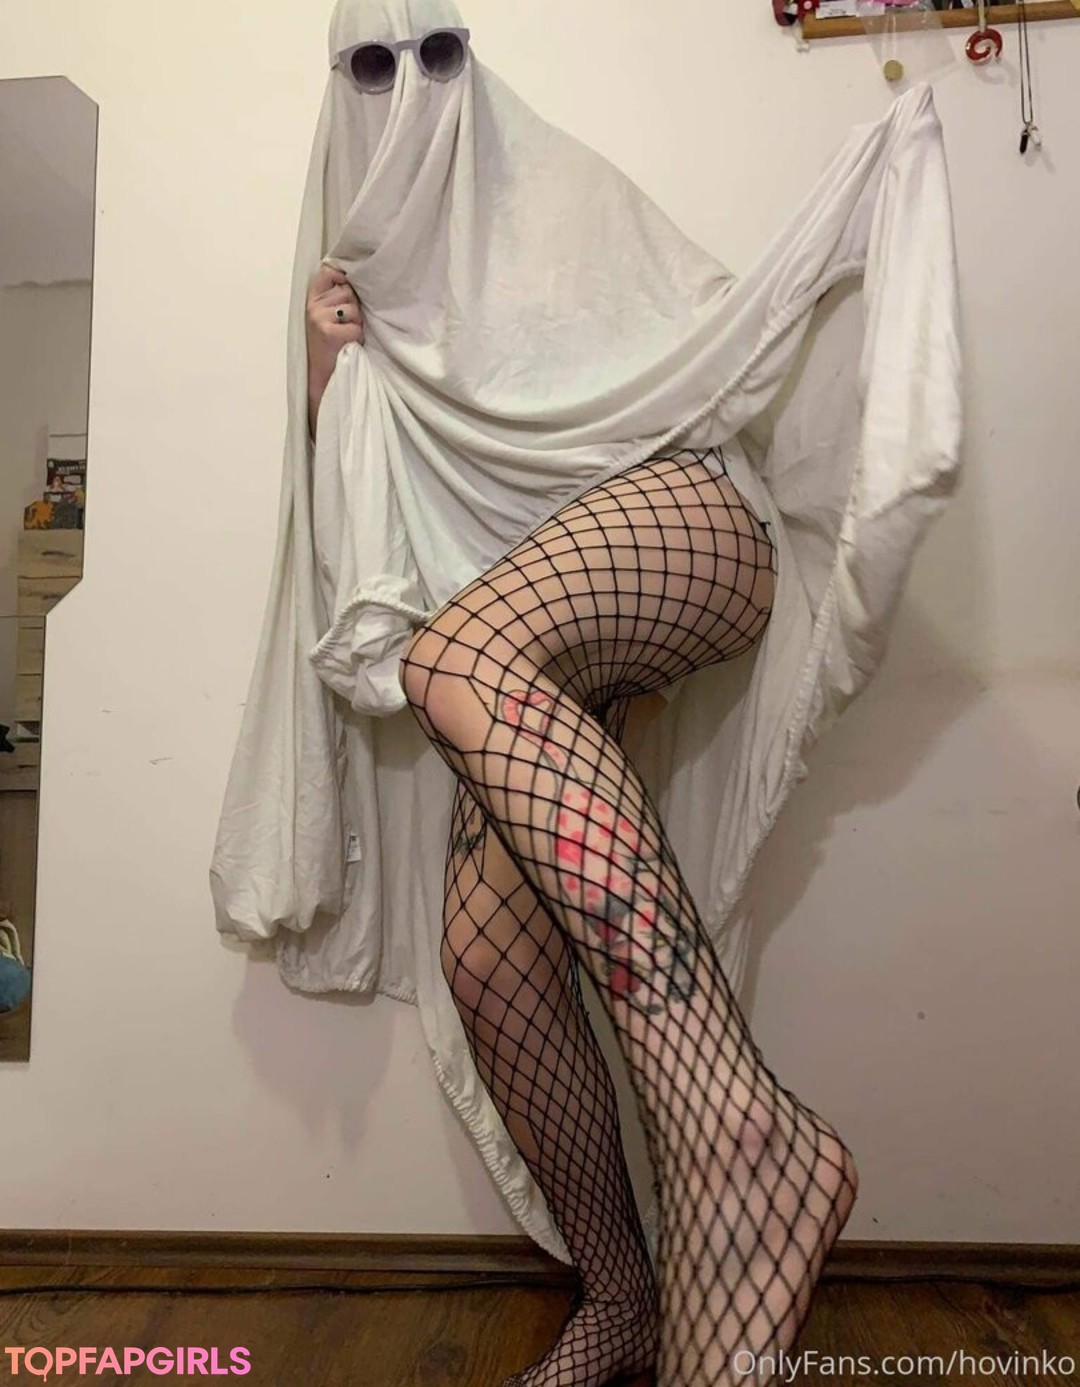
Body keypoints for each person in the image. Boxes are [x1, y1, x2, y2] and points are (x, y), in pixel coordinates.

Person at [305, 266, 858, 1387]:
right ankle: (621, 1300)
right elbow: (375, 478)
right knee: (486, 961)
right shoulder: (373, 268)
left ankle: (738, 1127)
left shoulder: (548, 224)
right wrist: (334, 373)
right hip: (526, 597)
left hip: (685, 508)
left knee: (455, 658)